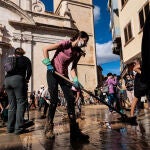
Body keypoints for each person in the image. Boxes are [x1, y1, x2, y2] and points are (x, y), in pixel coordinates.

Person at [42, 31, 89, 141]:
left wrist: (76, 80)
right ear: (78, 37)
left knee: (70, 99)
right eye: (84, 41)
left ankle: (74, 131)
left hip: (64, 76)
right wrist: (48, 63)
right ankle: (49, 128)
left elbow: (72, 68)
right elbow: (45, 49)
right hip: (52, 72)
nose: (84, 43)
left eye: (86, 42)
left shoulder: (77, 53)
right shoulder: (65, 44)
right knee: (53, 100)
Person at [4, 47, 32, 134]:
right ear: (22, 52)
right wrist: (27, 79)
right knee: (21, 103)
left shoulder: (11, 59)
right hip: (18, 80)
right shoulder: (26, 59)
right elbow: (29, 71)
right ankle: (19, 128)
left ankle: (10, 128)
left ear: (15, 53)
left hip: (7, 81)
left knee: (12, 105)